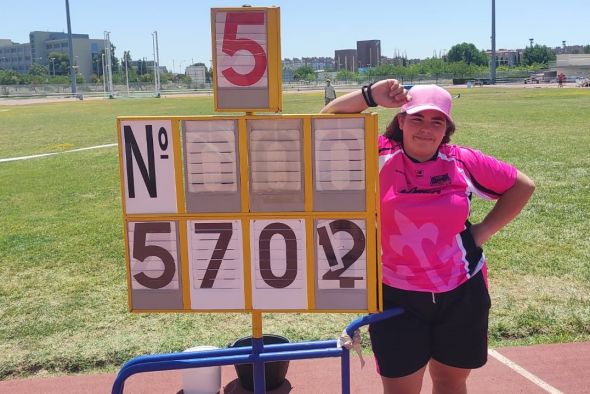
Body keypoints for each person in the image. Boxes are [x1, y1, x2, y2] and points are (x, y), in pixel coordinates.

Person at [321, 80, 535, 394]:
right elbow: (323, 127)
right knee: (401, 390)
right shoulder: (378, 153)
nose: (426, 129)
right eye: (417, 118)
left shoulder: (461, 161)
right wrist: (369, 96)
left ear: (446, 128)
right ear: (401, 120)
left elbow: (523, 185)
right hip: (395, 293)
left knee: (451, 383)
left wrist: (483, 231)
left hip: (462, 291)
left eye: (437, 121)